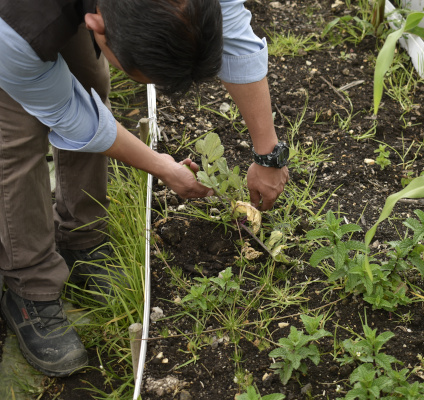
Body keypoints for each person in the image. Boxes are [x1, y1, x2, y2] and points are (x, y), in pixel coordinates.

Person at [0, 0, 289, 377]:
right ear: (97, 24)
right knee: (16, 135)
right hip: (15, 24)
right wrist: (162, 168)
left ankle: (83, 239)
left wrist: (268, 153)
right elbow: (69, 114)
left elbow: (233, 29)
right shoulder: (16, 33)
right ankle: (29, 285)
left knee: (90, 77)